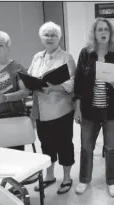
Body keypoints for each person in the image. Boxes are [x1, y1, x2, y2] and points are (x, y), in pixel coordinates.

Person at [73, 17, 114, 197]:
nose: (103, 33)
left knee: (111, 147)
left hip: (112, 109)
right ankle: (84, 179)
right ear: (94, 33)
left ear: (110, 33)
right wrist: (77, 109)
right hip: (89, 109)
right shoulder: (85, 54)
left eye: (106, 30)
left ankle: (112, 181)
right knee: (86, 147)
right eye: (99, 30)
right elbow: (79, 84)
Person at [27, 21, 77, 195]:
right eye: (46, 35)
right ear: (41, 37)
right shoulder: (37, 57)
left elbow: (73, 82)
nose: (49, 38)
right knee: (46, 144)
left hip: (61, 109)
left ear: (59, 38)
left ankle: (67, 177)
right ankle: (49, 175)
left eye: (53, 35)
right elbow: (31, 75)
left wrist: (54, 88)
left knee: (64, 144)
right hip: (41, 110)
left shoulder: (66, 57)